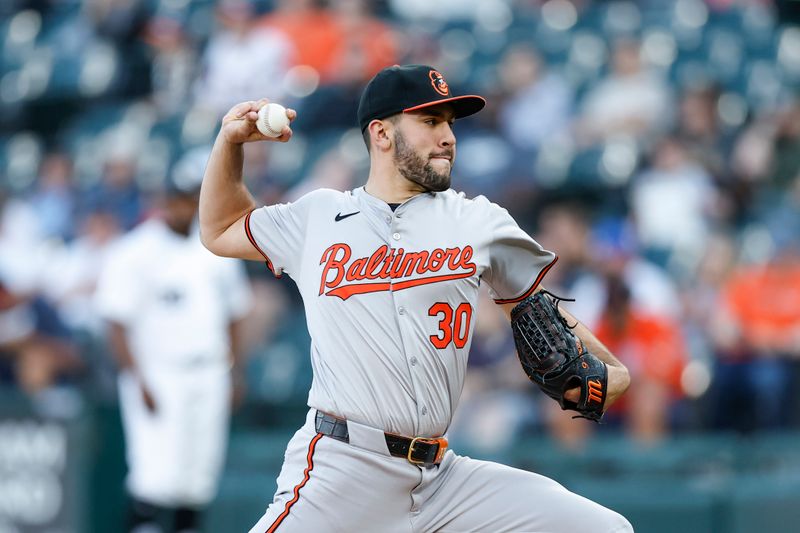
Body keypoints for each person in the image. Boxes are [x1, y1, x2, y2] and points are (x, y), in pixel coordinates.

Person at [199, 65, 633, 533]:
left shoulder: (479, 221)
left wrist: (613, 370)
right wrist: (230, 144)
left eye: (449, 122)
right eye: (430, 122)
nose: (447, 136)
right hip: (343, 470)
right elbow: (220, 228)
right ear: (381, 134)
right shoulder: (318, 217)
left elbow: (540, 309)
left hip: (442, 480)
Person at [95, 167, 253, 533]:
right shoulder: (136, 250)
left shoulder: (216, 245)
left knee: (197, 479)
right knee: (154, 476)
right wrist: (137, 378)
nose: (184, 206)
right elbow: (116, 322)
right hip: (158, 372)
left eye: (191, 198)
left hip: (210, 370)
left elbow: (235, 312)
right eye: (179, 198)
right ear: (165, 201)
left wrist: (235, 372)